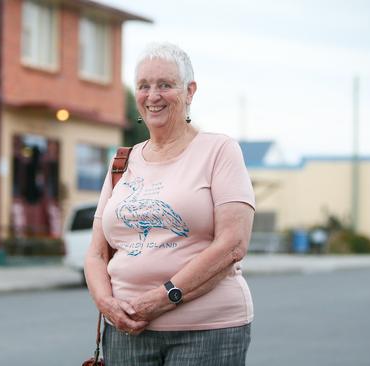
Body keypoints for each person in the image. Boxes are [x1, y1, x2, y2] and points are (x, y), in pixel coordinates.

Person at [84, 42, 256, 366]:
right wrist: (107, 304)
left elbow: (233, 244)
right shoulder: (122, 161)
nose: (153, 95)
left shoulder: (219, 151)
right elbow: (96, 252)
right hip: (126, 330)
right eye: (144, 86)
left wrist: (161, 299)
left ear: (190, 91)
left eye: (165, 85)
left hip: (207, 330)